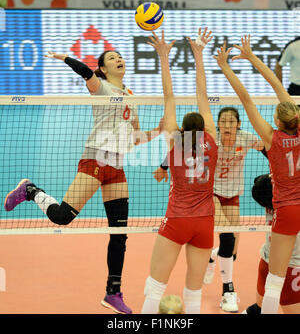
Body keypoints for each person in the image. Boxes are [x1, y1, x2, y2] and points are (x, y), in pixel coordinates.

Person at [4, 49, 163, 314]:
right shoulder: (100, 88)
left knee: (119, 234)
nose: (118, 59)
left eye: (119, 56)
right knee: (63, 217)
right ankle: (31, 191)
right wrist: (66, 58)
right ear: (102, 68)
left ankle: (113, 293)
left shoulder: (132, 97)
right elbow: (85, 72)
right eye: (111, 58)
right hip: (95, 161)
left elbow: (134, 138)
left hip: (117, 167)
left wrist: (158, 131)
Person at [215, 35, 300, 314]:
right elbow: (280, 89)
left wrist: (227, 67)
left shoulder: (270, 137)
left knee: (275, 280)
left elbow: (246, 99)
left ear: (276, 121)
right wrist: (253, 58)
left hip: (286, 209)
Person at [154, 107, 266, 313]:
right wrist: (163, 168)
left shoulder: (246, 138)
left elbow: (267, 149)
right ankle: (228, 291)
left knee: (232, 251)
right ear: (217, 124)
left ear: (239, 124)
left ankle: (212, 257)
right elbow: (178, 148)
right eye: (223, 122)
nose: (227, 126)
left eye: (232, 122)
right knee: (228, 237)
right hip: (210, 193)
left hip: (232, 193)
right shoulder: (211, 141)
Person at [141, 27, 218, 314]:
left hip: (178, 219)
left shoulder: (175, 139)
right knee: (194, 290)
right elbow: (202, 93)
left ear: (184, 128)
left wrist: (163, 56)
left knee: (156, 285)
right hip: (205, 221)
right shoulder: (212, 138)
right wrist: (199, 54)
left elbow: (169, 94)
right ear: (203, 126)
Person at [242, 174, 300, 314]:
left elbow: (261, 181)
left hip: (267, 261)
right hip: (291, 267)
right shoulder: (292, 203)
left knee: (259, 307)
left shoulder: (274, 198)